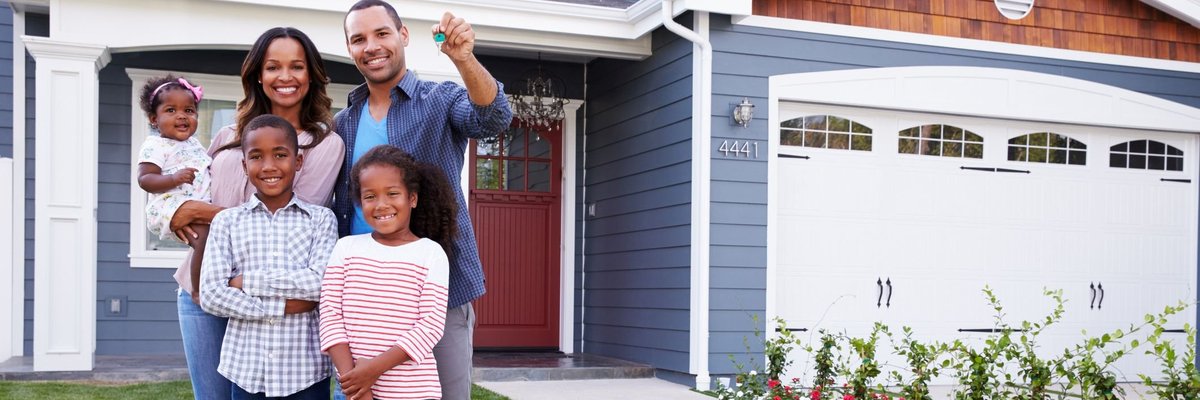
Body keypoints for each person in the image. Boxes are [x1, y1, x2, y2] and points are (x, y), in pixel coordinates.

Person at [334, 2, 512, 398]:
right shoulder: (343, 123)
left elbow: (493, 118)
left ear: (403, 36)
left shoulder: (440, 99)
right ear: (350, 50)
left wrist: (464, 60)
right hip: (364, 294)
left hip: (437, 293)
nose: (372, 46)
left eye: (381, 33)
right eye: (359, 39)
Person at [171, 26, 345, 400]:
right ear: (258, 75)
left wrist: (201, 212)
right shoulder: (228, 135)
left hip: (268, 293)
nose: (285, 77)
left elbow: (286, 217)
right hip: (200, 286)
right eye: (273, 67)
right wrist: (177, 211)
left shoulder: (324, 144)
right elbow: (190, 202)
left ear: (311, 75)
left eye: (296, 66)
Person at [200, 114, 336, 399]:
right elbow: (212, 294)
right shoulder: (227, 222)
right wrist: (284, 306)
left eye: (280, 155)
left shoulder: (321, 220)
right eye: (257, 157)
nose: (269, 166)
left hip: (305, 371)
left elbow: (320, 284)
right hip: (247, 368)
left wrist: (245, 281)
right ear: (244, 165)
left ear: (297, 162)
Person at [321, 145, 457, 400]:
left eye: (392, 193)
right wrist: (354, 383)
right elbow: (330, 315)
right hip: (353, 389)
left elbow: (431, 325)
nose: (381, 204)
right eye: (370, 196)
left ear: (412, 198)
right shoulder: (346, 248)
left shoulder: (430, 253)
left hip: (414, 392)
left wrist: (372, 370)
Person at [135, 75, 211, 304]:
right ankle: (197, 290)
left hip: (192, 202)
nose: (181, 116)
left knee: (211, 240)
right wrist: (173, 178)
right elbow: (145, 179)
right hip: (168, 204)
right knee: (203, 239)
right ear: (153, 119)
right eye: (171, 110)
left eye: (189, 110)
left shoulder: (194, 145)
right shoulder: (155, 145)